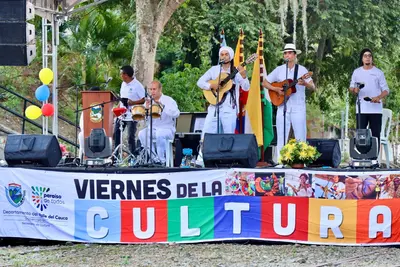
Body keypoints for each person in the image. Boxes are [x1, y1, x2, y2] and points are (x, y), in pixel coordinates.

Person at [262, 43, 315, 161]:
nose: (287, 55)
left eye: (290, 53)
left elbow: (313, 87)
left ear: (295, 55)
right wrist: (276, 89)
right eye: (285, 53)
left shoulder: (302, 70)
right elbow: (265, 83)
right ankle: (281, 161)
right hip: (282, 107)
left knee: (300, 135)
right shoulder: (279, 70)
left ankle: (303, 161)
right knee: (281, 135)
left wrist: (305, 83)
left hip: (298, 107)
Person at [197, 46, 250, 137]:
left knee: (228, 136)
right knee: (206, 134)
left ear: (231, 57)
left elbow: (246, 88)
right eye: (222, 54)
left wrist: (244, 76)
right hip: (214, 108)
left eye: (226, 54)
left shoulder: (236, 72)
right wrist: (211, 85)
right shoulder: (214, 70)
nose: (224, 56)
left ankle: (227, 151)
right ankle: (204, 151)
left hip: (229, 109)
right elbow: (200, 82)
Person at [349, 48, 389, 153]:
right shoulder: (357, 72)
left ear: (372, 58)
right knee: (361, 135)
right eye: (365, 56)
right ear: (362, 59)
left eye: (369, 56)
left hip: (375, 109)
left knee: (375, 134)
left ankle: (374, 158)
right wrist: (355, 90)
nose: (367, 58)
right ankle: (361, 156)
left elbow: (386, 90)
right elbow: (351, 88)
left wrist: (378, 97)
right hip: (361, 109)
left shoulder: (378, 72)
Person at [138, 80, 180, 165]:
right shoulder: (148, 102)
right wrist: (145, 109)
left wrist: (162, 106)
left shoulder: (168, 100)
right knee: (142, 134)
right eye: (150, 89)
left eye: (154, 89)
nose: (152, 91)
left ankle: (162, 161)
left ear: (160, 89)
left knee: (160, 134)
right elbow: (141, 119)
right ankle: (154, 159)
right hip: (153, 129)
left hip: (167, 129)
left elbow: (176, 114)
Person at [114, 65, 145, 156]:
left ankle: (133, 157)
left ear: (126, 75)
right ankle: (116, 156)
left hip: (132, 115)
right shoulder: (123, 84)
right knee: (116, 134)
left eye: (121, 74)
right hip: (122, 114)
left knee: (130, 137)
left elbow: (143, 99)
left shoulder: (137, 85)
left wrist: (133, 102)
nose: (120, 76)